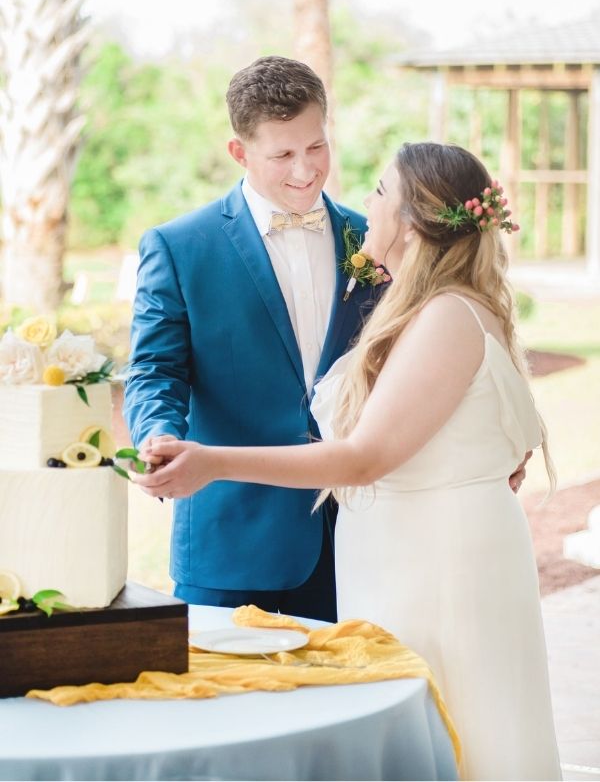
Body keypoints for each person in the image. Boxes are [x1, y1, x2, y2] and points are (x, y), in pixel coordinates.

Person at [131, 142, 560, 781]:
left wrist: (213, 462)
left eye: (382, 191)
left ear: (413, 223)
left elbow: (363, 458)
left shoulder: (445, 314)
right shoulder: (432, 302)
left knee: (455, 733)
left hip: (437, 566)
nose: (367, 203)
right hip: (410, 555)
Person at [123, 56, 375, 621]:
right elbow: (153, 371)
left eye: (316, 147)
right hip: (230, 542)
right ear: (239, 152)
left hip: (361, 539)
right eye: (283, 155)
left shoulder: (373, 237)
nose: (306, 171)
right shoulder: (179, 246)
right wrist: (159, 437)